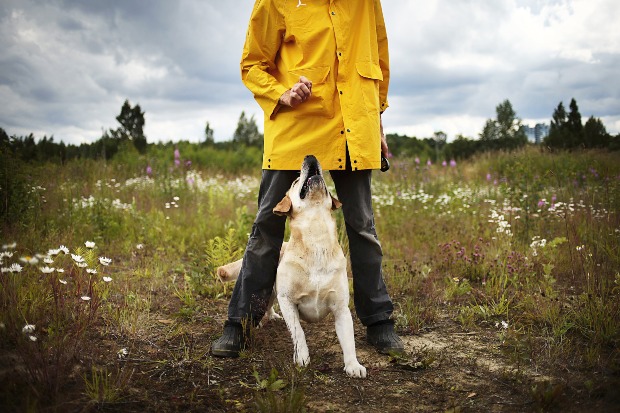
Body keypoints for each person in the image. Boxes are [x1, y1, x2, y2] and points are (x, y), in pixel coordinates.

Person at [211, 0, 403, 357]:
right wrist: (279, 93)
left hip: (352, 125)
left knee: (362, 225)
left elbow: (379, 59)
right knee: (268, 225)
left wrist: (376, 118)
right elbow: (252, 63)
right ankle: (239, 323)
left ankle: (379, 321)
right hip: (296, 124)